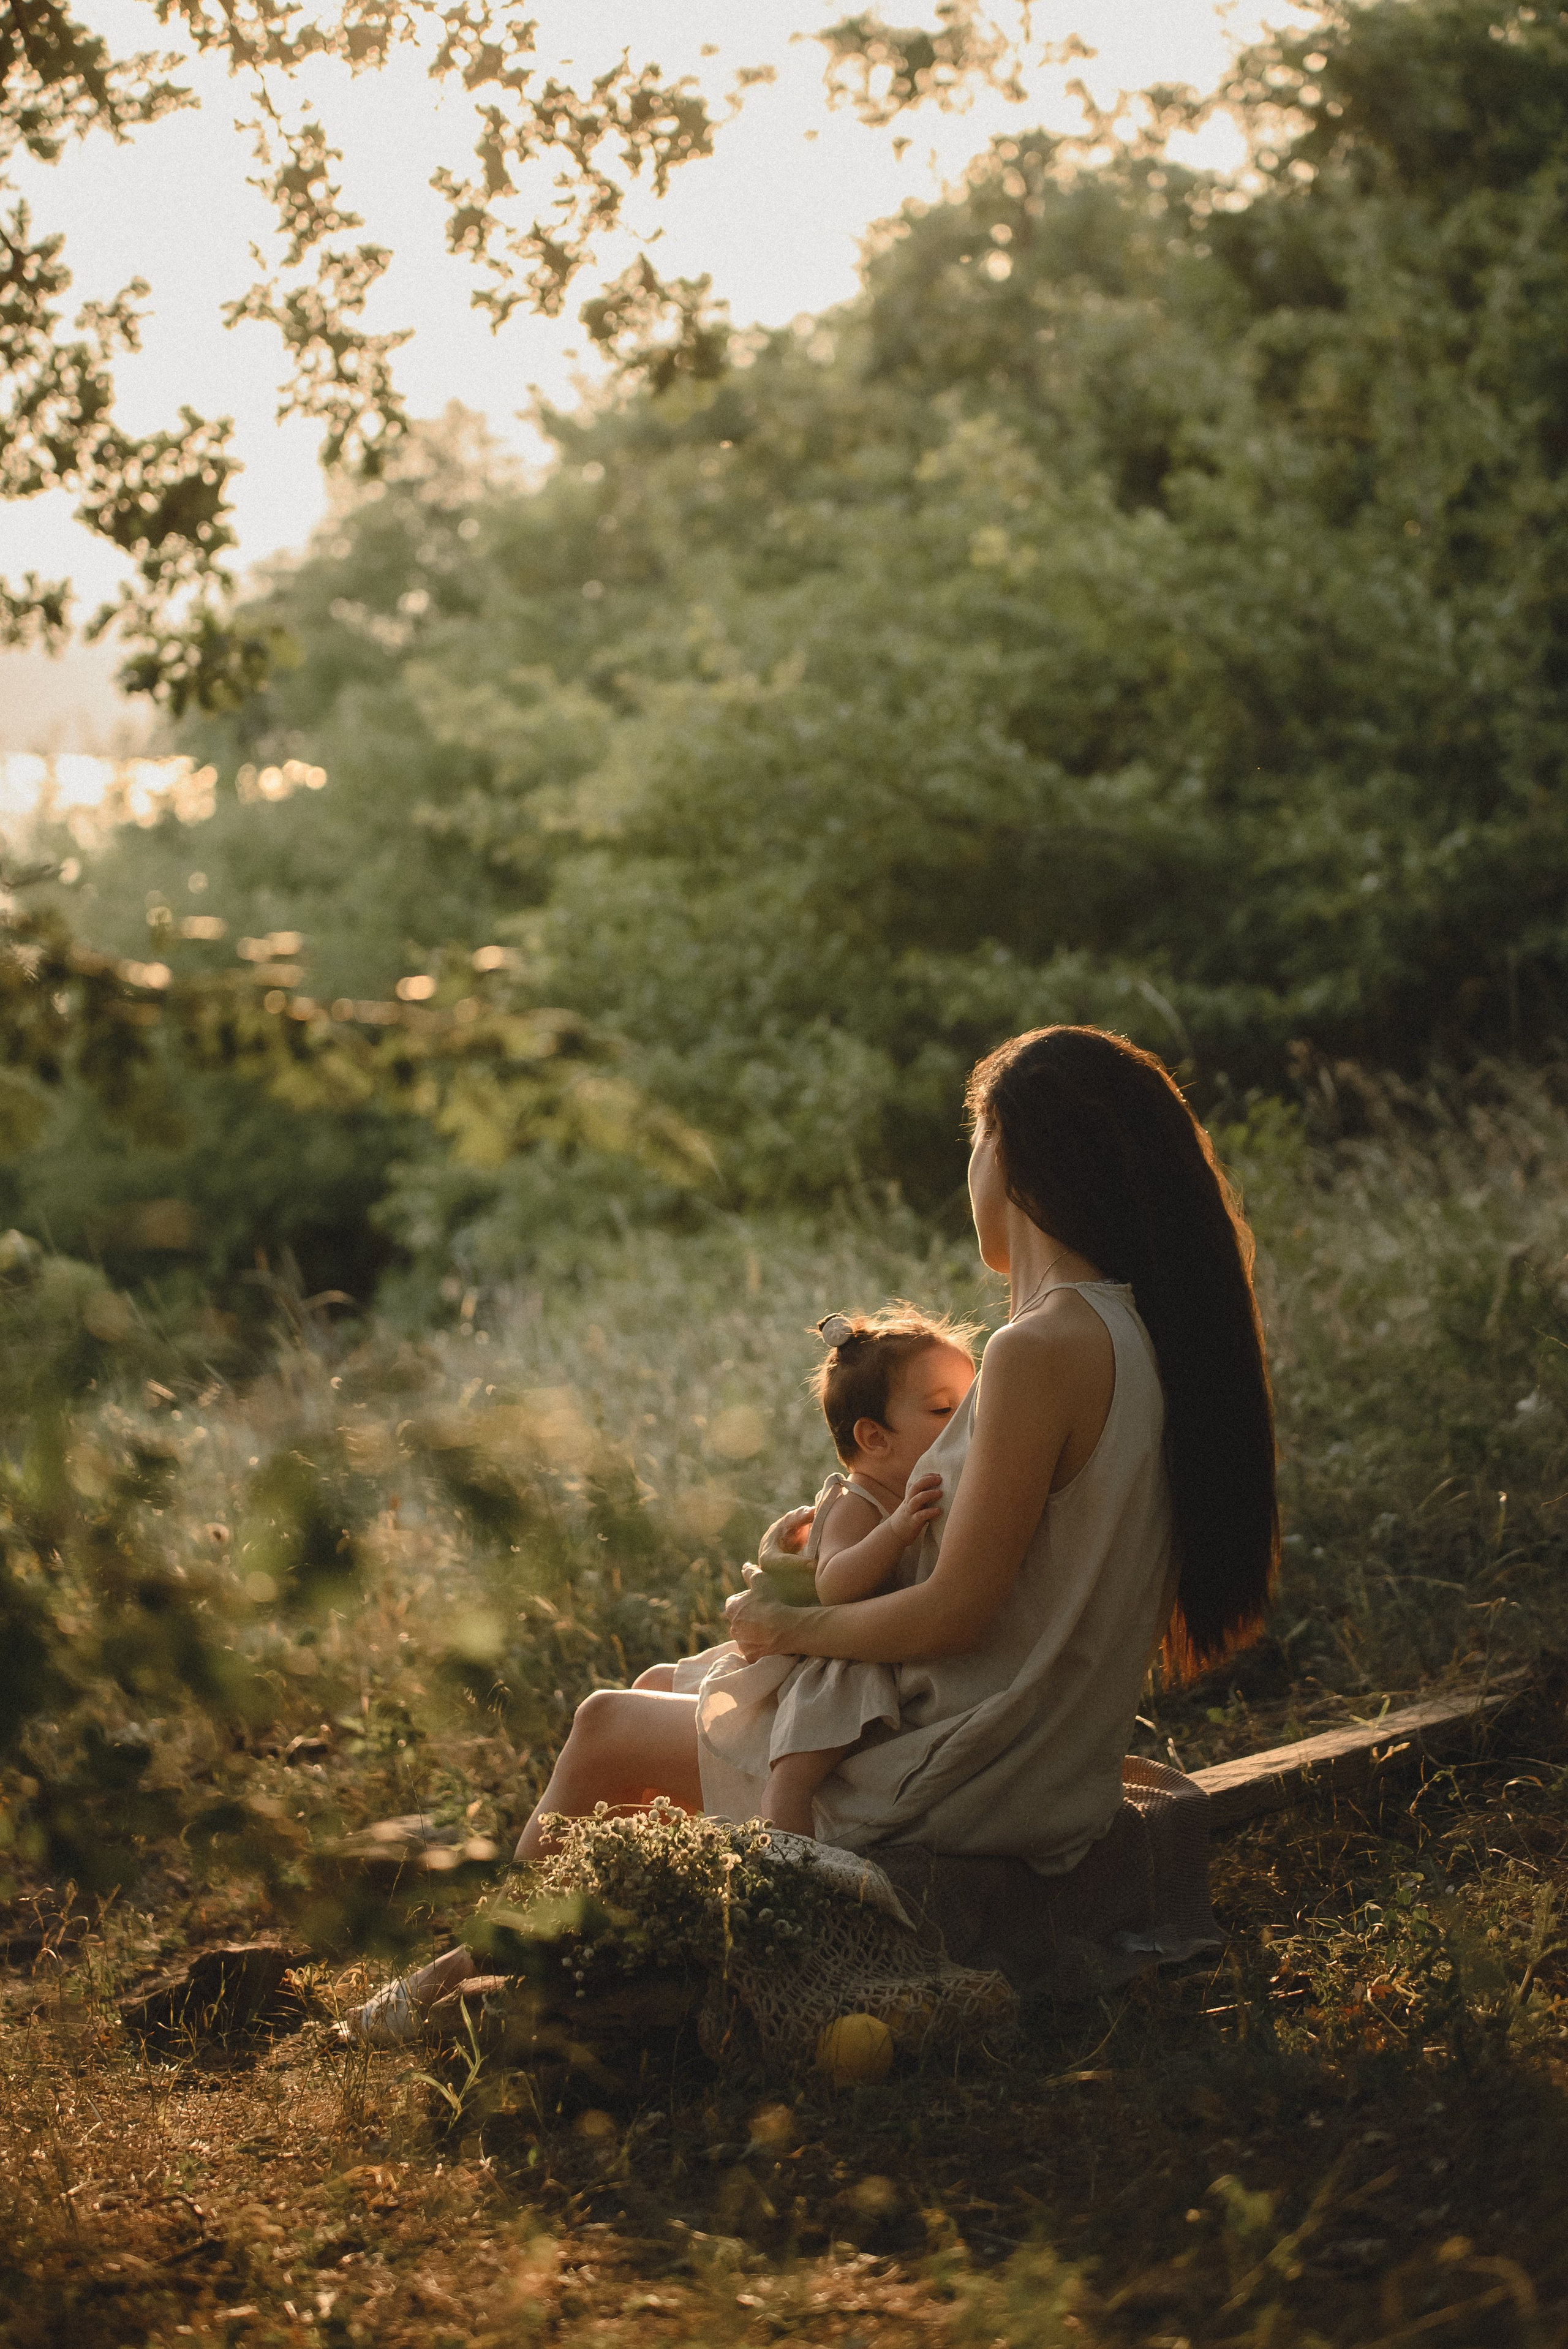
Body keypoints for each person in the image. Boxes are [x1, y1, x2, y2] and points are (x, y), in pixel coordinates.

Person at [344, 1024, 1276, 2041]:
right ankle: (547, 1954)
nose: (968, 1172)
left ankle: (482, 1969)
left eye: (973, 1142)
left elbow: (958, 1612)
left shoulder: (1040, 1347)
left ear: (1013, 1151)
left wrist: (783, 1631)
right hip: (1001, 1732)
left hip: (976, 1764)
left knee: (608, 1726)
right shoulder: (1124, 1331)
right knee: (662, 1691)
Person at [656, 1306, 976, 1837]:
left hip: (858, 1649)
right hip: (838, 1665)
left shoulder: (908, 1489)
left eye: (972, 1405)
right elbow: (836, 1582)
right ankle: (797, 1868)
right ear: (874, 1438)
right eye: (945, 1409)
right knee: (795, 1773)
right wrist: (895, 1530)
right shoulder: (860, 1502)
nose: (966, 1423)